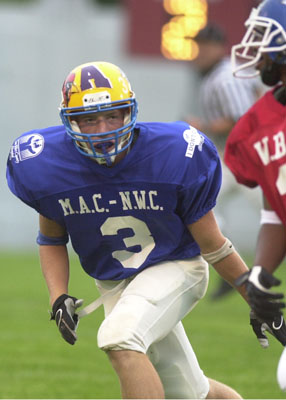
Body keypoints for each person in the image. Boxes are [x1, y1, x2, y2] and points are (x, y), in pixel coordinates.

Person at [5, 60, 284, 399]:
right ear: (70, 121)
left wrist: (252, 296)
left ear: (130, 112)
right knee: (189, 393)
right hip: (116, 283)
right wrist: (58, 296)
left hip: (177, 266)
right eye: (89, 120)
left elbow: (212, 243)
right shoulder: (45, 164)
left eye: (112, 115)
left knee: (118, 338)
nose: (102, 129)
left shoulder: (172, 152)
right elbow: (51, 236)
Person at [185, 23, 264, 300]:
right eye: (198, 46)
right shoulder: (225, 72)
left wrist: (202, 126)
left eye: (205, 46)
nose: (200, 52)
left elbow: (243, 120)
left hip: (251, 158)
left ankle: (230, 266)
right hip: (233, 159)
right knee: (204, 203)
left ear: (218, 48)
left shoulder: (225, 77)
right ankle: (228, 266)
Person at [224, 0, 286, 348]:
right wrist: (261, 274)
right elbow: (275, 211)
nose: (256, 50)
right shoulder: (253, 127)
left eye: (264, 37)